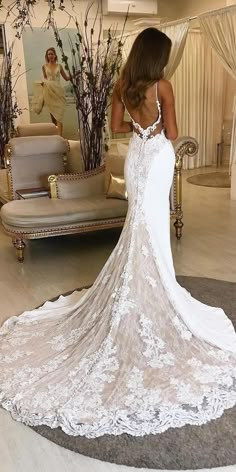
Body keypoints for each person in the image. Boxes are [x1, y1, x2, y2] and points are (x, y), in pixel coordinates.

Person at [0, 28, 236, 439]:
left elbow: (117, 127)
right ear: (158, 56)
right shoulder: (164, 86)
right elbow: (175, 134)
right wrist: (157, 125)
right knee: (152, 222)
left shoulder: (123, 85)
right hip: (159, 156)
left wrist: (139, 123)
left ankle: (146, 283)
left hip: (136, 156)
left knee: (138, 221)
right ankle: (157, 285)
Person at [42, 47, 70, 136]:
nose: (50, 55)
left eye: (52, 54)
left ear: (55, 55)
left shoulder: (59, 66)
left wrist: (75, 74)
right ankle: (55, 135)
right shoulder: (44, 67)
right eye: (49, 54)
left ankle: (60, 137)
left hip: (59, 92)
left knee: (59, 116)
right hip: (49, 92)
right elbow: (45, 79)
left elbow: (66, 78)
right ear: (47, 56)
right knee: (53, 117)